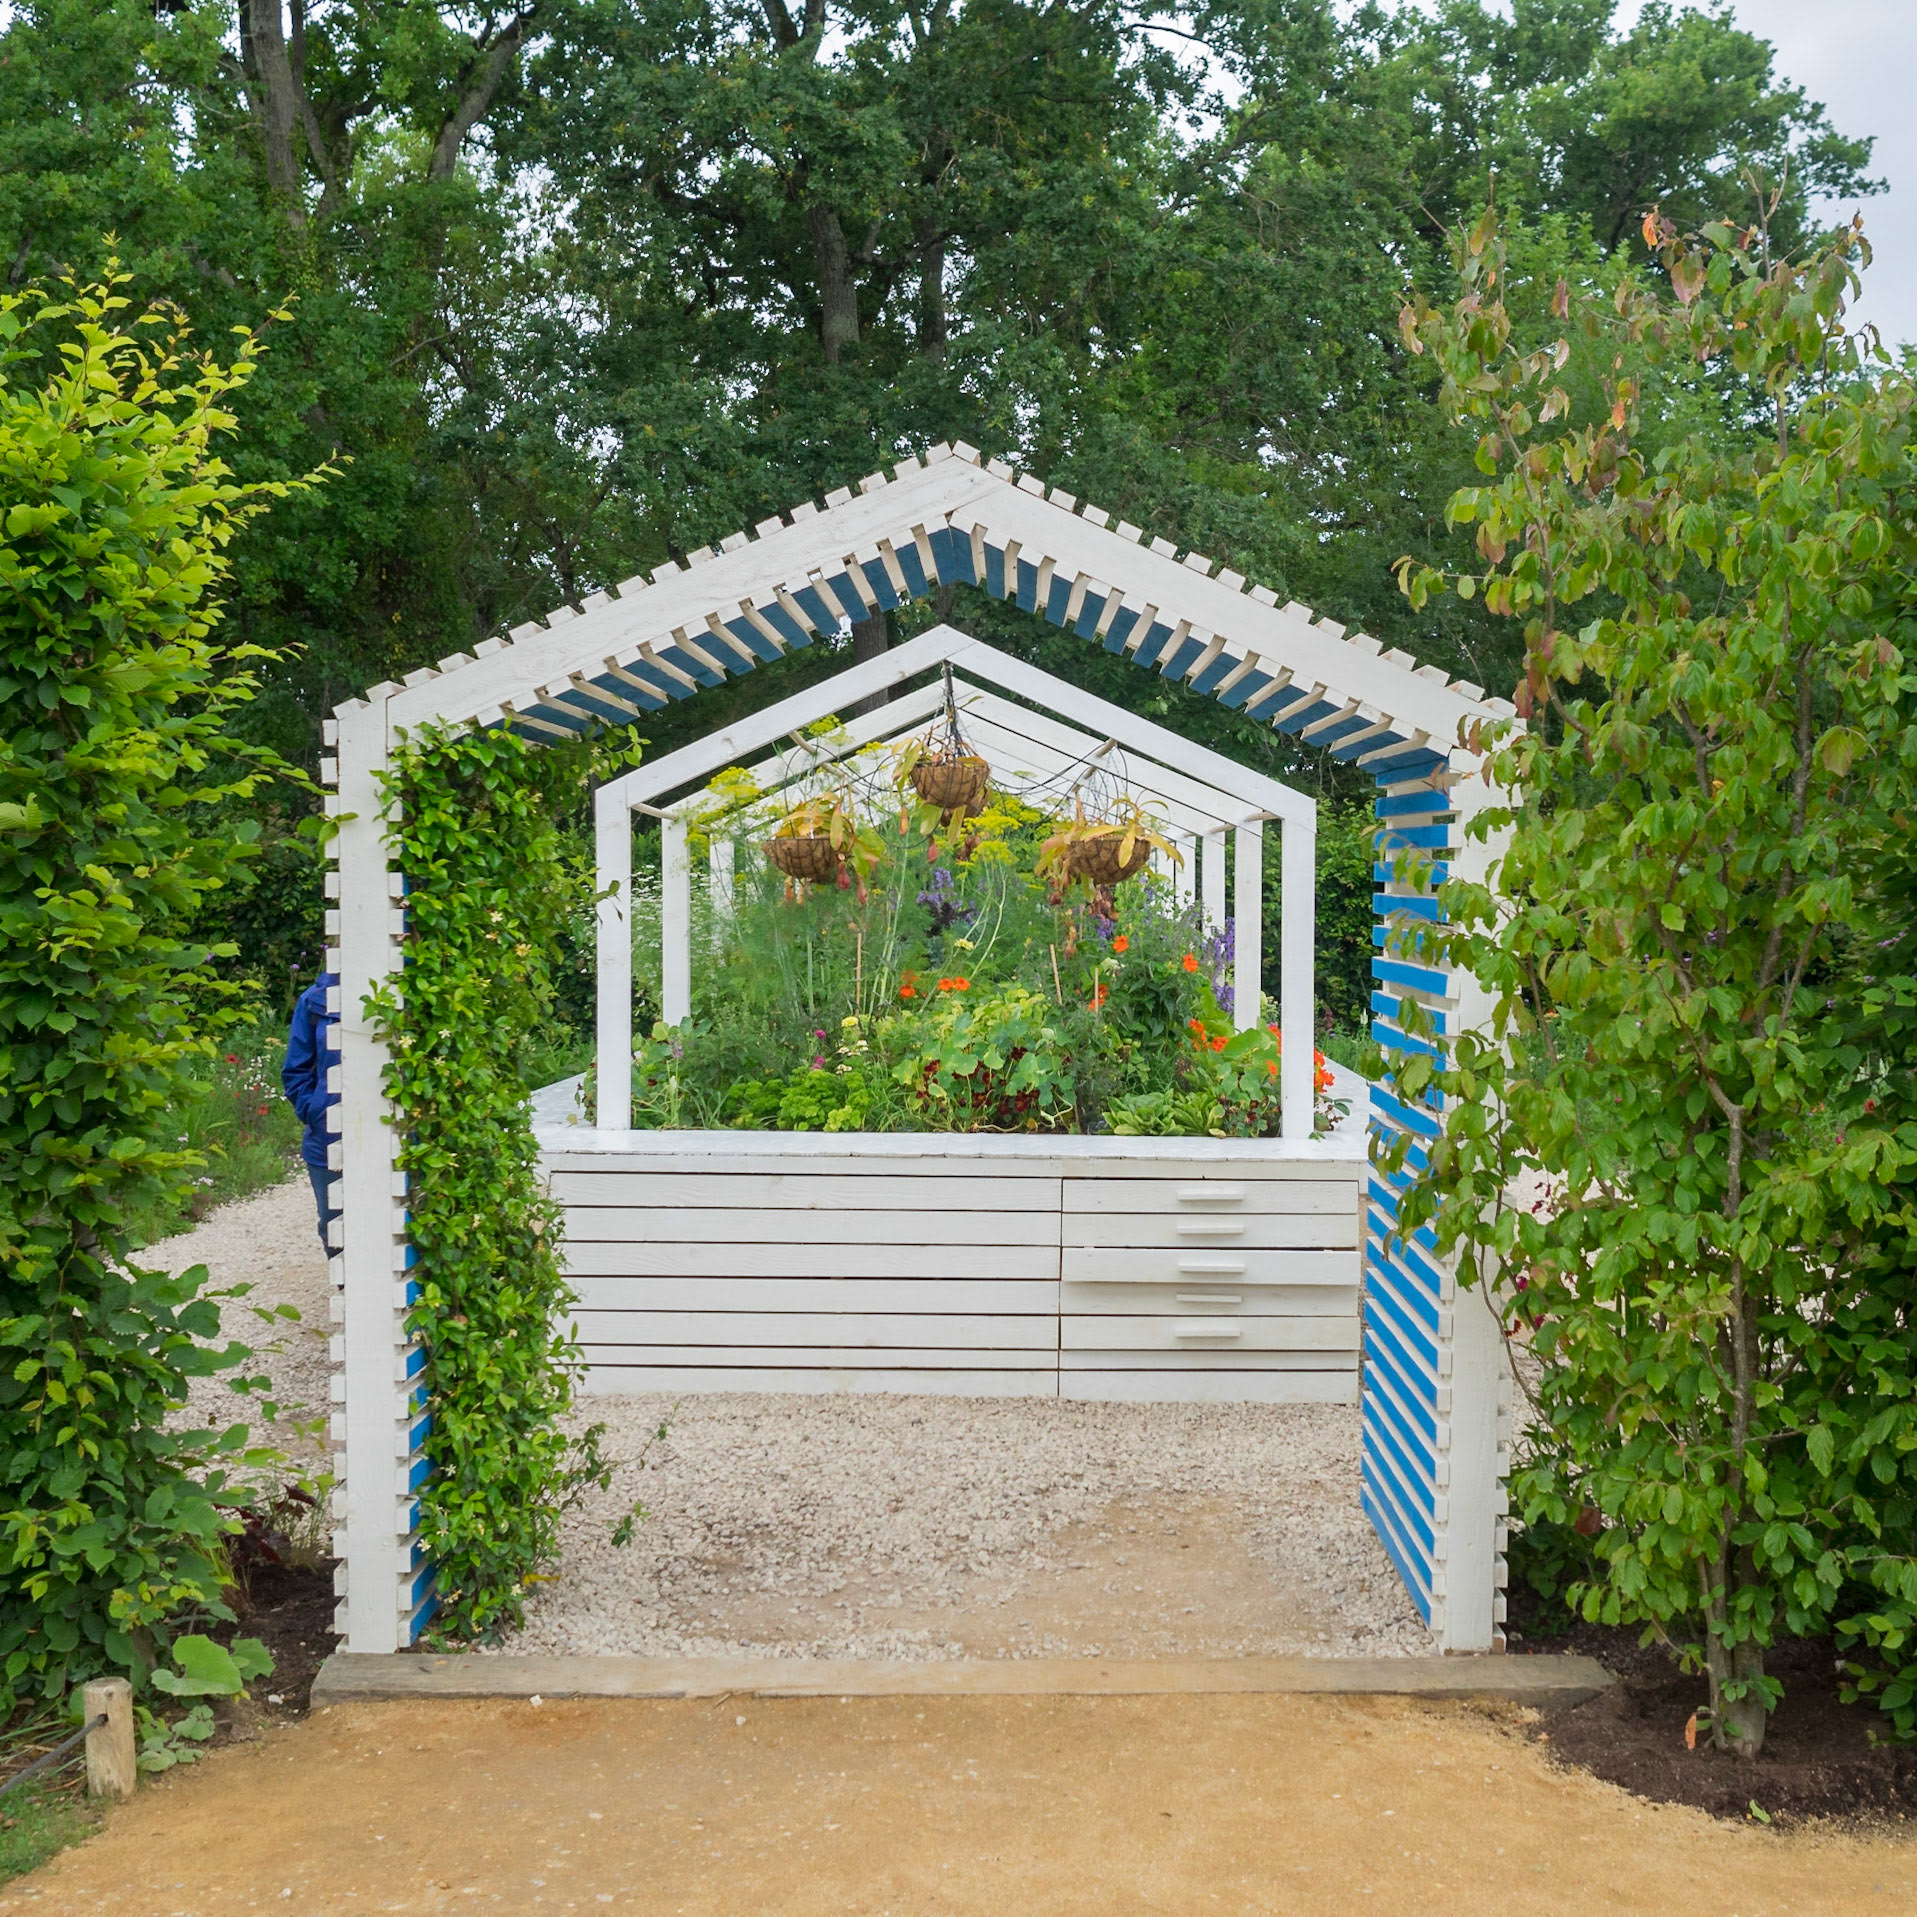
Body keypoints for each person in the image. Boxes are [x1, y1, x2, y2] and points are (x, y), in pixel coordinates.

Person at [282, 970, 341, 1255]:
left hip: (397, 1138)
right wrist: (316, 1110)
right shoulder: (313, 1002)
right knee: (334, 1227)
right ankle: (347, 1294)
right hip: (326, 1138)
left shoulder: (412, 993)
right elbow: (295, 1071)